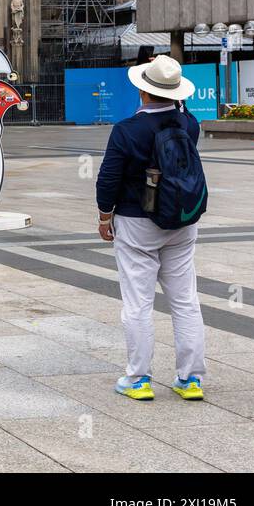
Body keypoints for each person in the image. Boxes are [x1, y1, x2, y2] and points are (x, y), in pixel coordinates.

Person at [95, 55, 207, 403]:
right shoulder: (189, 125)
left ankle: (138, 378)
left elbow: (108, 179)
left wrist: (104, 216)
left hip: (136, 222)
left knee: (138, 303)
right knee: (185, 300)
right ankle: (190, 380)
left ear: (143, 91)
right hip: (181, 221)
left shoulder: (128, 129)